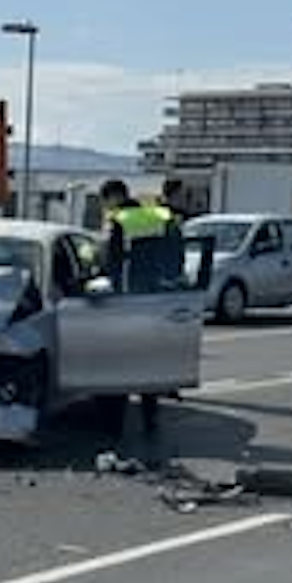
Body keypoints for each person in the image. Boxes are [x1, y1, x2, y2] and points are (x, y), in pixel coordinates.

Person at [98, 178, 181, 433]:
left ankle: (113, 423)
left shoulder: (118, 221)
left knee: (118, 363)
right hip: (154, 299)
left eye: (105, 202)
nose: (106, 207)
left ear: (112, 197)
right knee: (145, 360)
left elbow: (109, 261)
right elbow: (176, 252)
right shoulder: (157, 216)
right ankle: (150, 417)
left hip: (125, 299)